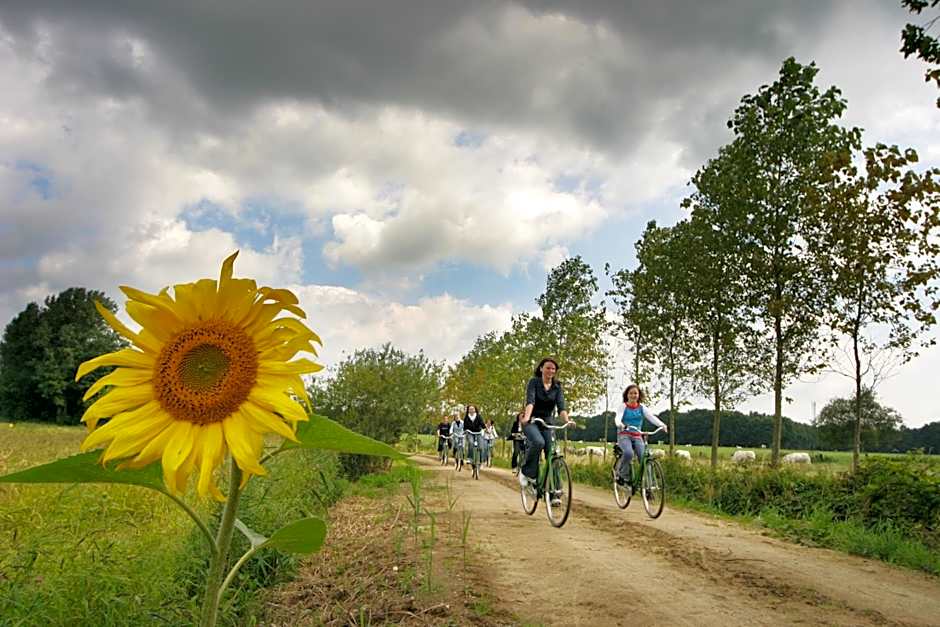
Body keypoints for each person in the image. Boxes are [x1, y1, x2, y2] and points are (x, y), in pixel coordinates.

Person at [520, 357, 575, 505]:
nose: (550, 371)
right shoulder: (534, 382)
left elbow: (561, 407)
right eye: (548, 368)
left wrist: (567, 420)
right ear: (541, 369)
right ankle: (527, 473)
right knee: (538, 442)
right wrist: (526, 417)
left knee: (553, 454)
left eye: (553, 369)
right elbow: (530, 401)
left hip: (547, 423)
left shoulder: (557, 386)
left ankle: (554, 491)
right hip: (532, 420)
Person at [615, 384, 667, 490]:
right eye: (631, 393)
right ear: (627, 395)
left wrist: (662, 425)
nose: (633, 395)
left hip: (637, 435)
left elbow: (651, 417)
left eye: (635, 393)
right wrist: (621, 425)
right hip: (624, 435)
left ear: (639, 395)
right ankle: (622, 475)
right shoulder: (623, 406)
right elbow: (617, 418)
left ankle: (649, 486)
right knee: (628, 453)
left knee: (645, 458)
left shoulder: (641, 407)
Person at [464, 405, 486, 469]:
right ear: (468, 410)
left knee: (481, 447)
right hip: (470, 432)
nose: (471, 410)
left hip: (478, 432)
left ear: (475, 410)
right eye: (470, 409)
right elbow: (465, 427)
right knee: (471, 443)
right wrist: (466, 431)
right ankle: (470, 458)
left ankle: (481, 461)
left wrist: (484, 429)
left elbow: (482, 424)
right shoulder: (466, 417)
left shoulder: (478, 416)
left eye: (472, 409)